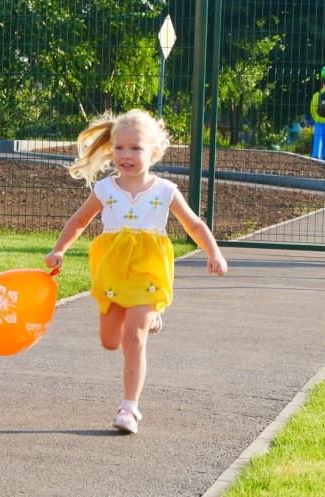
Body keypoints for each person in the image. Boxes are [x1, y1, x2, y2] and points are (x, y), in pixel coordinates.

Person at [44, 109, 228, 434]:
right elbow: (79, 221)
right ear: (111, 149)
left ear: (154, 152)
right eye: (119, 148)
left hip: (148, 271)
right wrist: (59, 249)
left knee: (133, 338)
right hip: (112, 270)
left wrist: (214, 252)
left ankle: (129, 407)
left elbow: (194, 225)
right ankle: (150, 318)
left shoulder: (165, 190)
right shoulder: (105, 189)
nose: (126, 155)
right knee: (110, 341)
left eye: (135, 148)